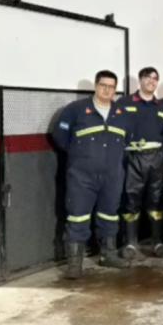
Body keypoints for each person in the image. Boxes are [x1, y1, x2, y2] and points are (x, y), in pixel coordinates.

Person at [52, 70, 130, 279]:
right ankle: (74, 264)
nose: (107, 90)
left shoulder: (121, 113)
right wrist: (81, 157)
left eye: (111, 87)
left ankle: (109, 255)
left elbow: (127, 140)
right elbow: (60, 136)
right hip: (81, 176)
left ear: (115, 89)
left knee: (110, 214)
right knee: (77, 216)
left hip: (113, 175)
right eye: (103, 85)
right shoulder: (75, 110)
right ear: (96, 86)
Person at [118, 67, 163, 260]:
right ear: (140, 80)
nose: (151, 81)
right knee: (131, 199)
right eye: (148, 78)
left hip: (157, 159)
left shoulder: (162, 107)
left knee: (156, 201)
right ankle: (130, 243)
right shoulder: (124, 103)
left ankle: (157, 242)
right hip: (132, 158)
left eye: (155, 78)